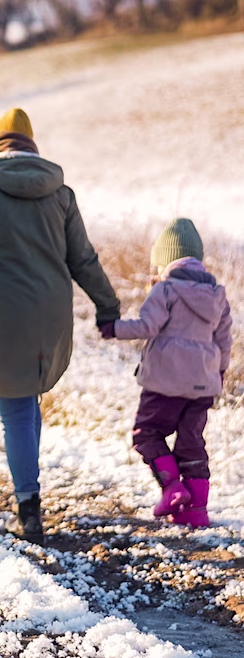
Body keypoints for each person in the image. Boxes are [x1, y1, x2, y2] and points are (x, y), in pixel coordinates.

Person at [0, 108, 120, 544]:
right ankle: (29, 489)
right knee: (28, 397)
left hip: (3, 319)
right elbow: (84, 259)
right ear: (30, 147)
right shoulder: (61, 194)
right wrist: (107, 306)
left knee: (15, 409)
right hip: (52, 318)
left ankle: (28, 507)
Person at [100, 218, 232, 528]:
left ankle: (172, 490)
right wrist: (219, 373)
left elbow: (148, 326)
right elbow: (224, 341)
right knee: (191, 441)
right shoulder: (217, 294)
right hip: (204, 383)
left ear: (164, 261)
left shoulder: (166, 289)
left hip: (165, 382)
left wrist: (113, 328)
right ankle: (196, 510)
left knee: (147, 433)